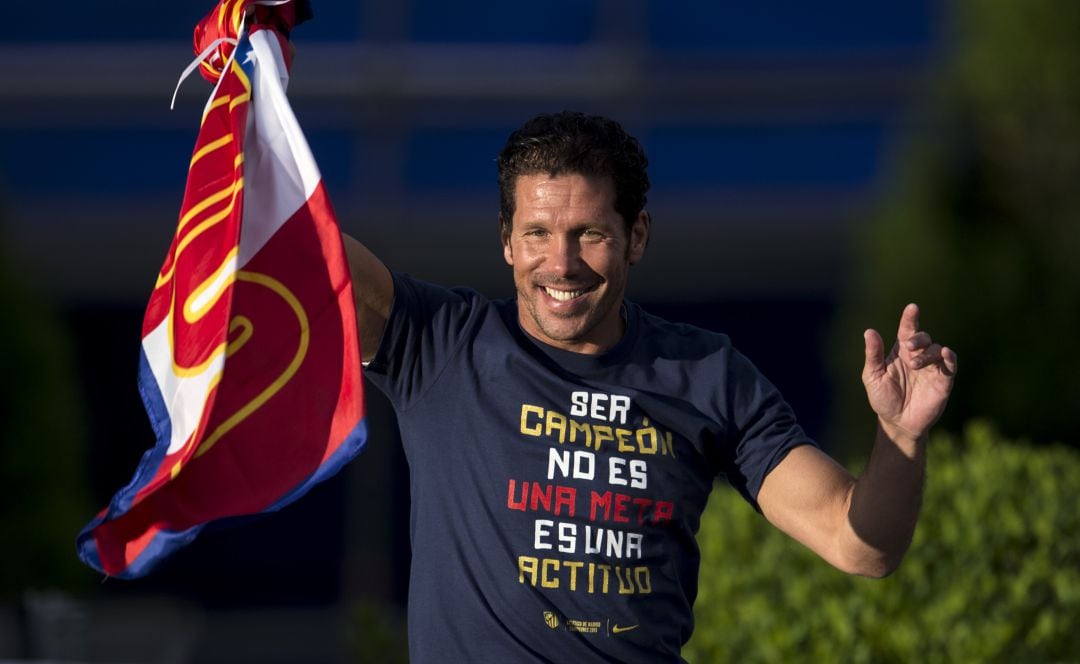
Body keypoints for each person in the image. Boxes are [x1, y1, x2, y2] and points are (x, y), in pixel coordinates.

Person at [341, 111, 957, 662]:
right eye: (537, 233)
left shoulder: (706, 373)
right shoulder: (441, 343)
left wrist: (900, 435)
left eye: (590, 233)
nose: (561, 262)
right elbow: (303, 242)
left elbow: (860, 546)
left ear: (636, 236)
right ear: (506, 240)